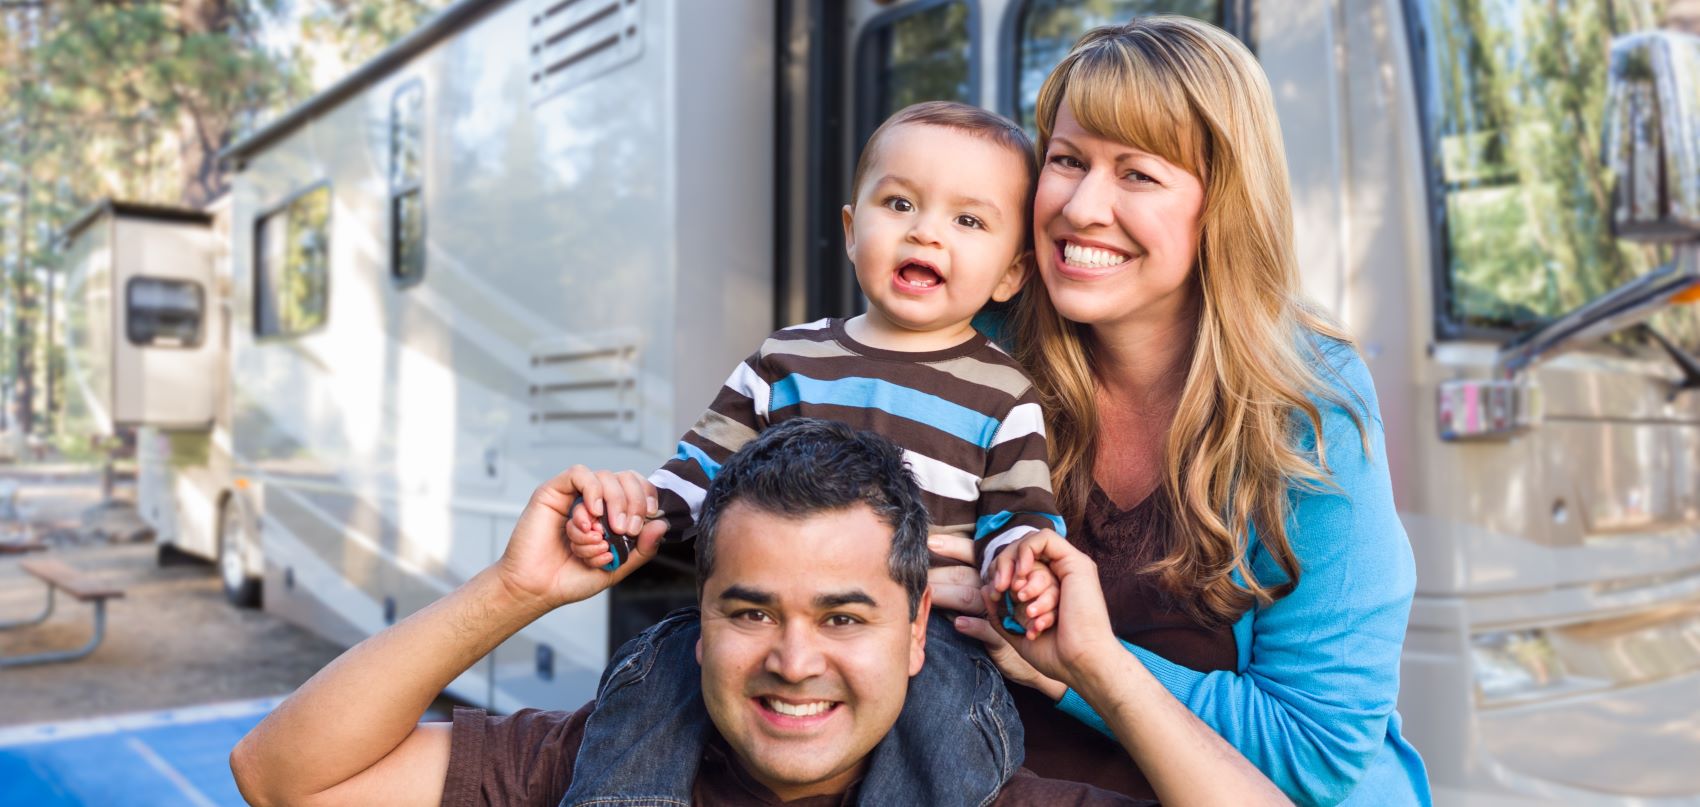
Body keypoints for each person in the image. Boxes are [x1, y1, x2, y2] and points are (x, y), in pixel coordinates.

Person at [227, 419, 1291, 806]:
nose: (793, 658)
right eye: (750, 612)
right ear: (699, 624)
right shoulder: (590, 761)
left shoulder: (990, 797)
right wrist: (512, 591)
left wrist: (1098, 667)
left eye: (843, 618)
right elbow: (282, 776)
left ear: (915, 631)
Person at [929, 16, 1432, 806]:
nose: (1082, 207)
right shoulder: (974, 347)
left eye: (1137, 174)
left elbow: (1315, 748)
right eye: (1067, 160)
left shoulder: (1306, 398)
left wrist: (1076, 666)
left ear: (1221, 205)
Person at [560, 101, 1067, 805]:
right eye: (900, 204)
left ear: (1011, 274)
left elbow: (1023, 519)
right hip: (769, 612)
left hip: (934, 636)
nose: (925, 231)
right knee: (655, 675)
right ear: (853, 231)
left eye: (968, 220)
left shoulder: (1004, 394)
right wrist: (631, 514)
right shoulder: (786, 358)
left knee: (948, 728)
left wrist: (1023, 571)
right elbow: (700, 470)